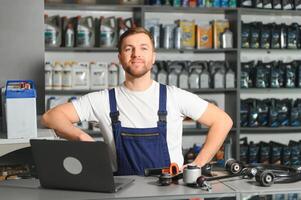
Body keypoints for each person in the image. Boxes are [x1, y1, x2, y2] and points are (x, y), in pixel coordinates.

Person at [41, 27, 233, 176]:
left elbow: (223, 121)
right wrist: (81, 137)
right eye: (128, 49)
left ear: (153, 57)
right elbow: (51, 117)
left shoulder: (175, 96)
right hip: (122, 192)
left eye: (143, 48)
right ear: (120, 58)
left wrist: (197, 164)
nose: (136, 54)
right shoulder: (102, 100)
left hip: (170, 190)